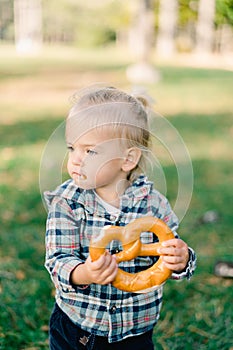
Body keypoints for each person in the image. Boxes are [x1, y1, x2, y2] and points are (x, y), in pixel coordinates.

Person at [44, 86, 196, 350]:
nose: (76, 160)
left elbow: (168, 249)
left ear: (127, 160)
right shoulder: (66, 202)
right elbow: (57, 260)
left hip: (135, 330)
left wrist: (181, 260)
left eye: (90, 151)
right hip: (79, 327)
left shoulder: (154, 204)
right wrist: (85, 272)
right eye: (72, 148)